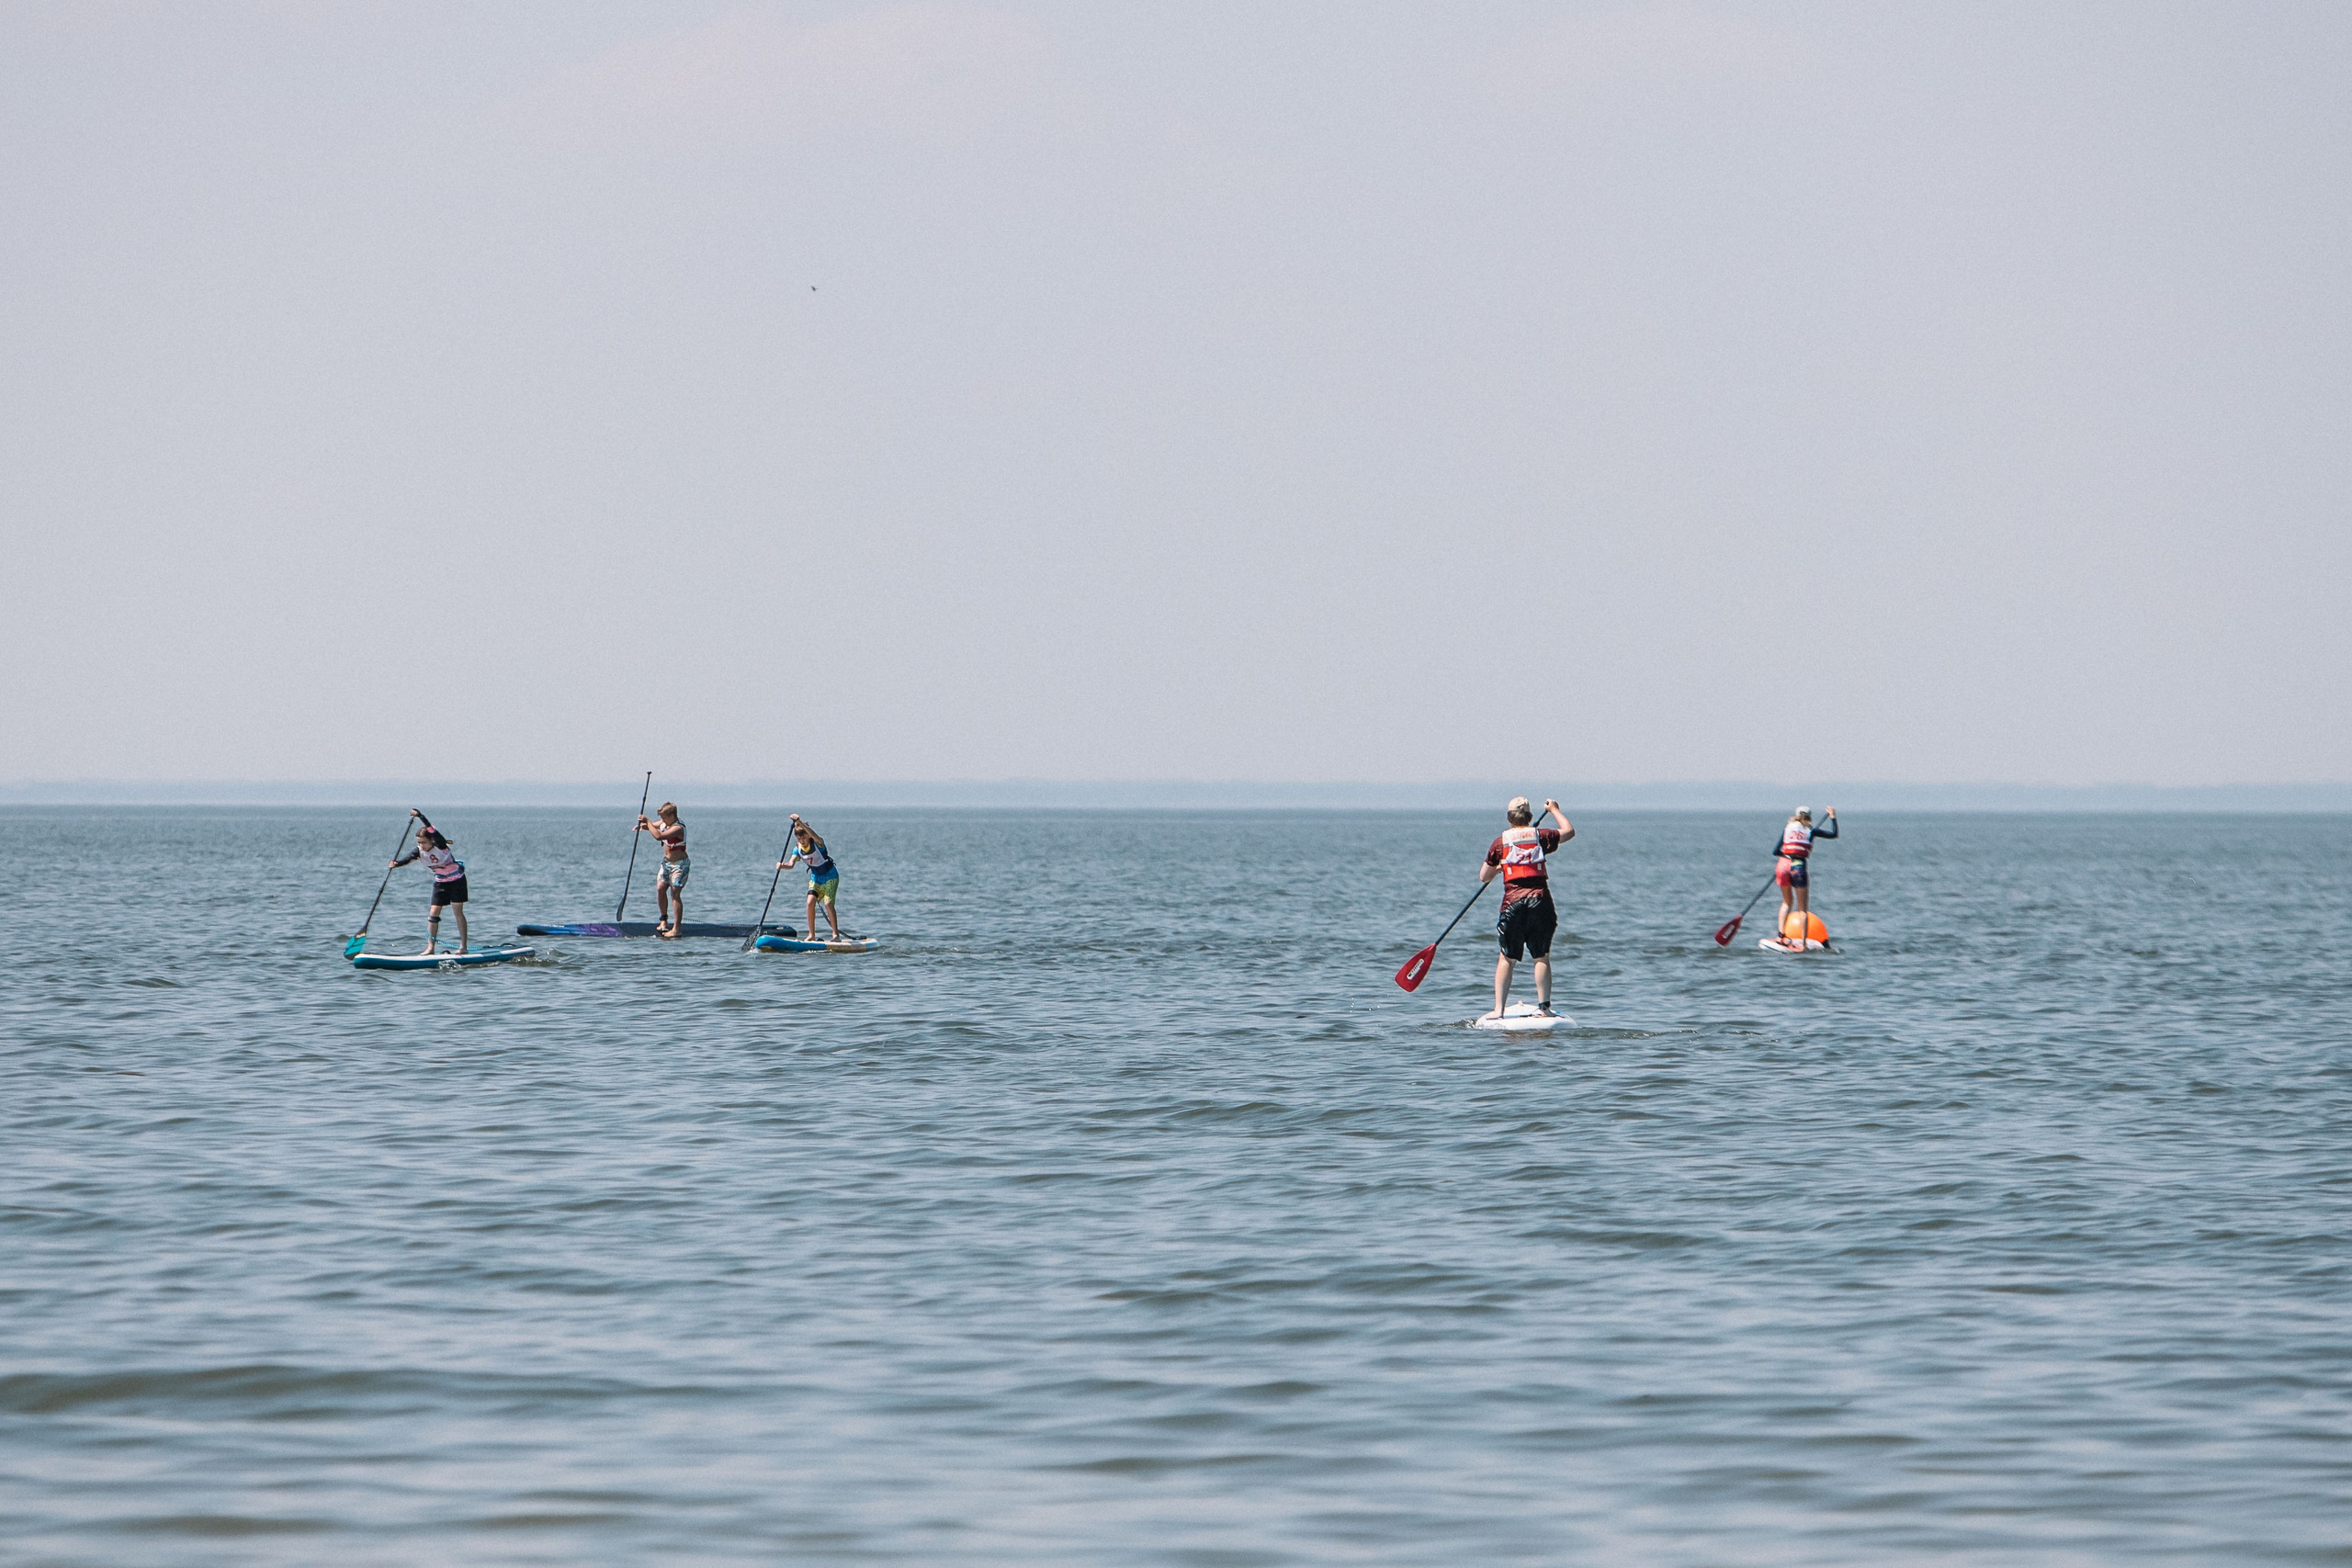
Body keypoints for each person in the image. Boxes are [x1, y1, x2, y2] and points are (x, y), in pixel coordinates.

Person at [1479, 796, 1574, 1021]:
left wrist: (1501, 867)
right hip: (1540, 903)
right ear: (1529, 817)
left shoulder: (1500, 843)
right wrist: (1554, 810)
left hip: (1513, 905)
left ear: (1509, 818)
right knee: (1541, 957)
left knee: (1506, 958)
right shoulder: (1540, 837)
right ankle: (1545, 1008)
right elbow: (1569, 831)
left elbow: (1484, 876)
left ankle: (1499, 1011)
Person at [390, 811, 469, 953]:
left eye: (423, 842)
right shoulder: (419, 851)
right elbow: (408, 859)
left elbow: (432, 830)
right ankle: (430, 948)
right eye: (418, 842)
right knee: (433, 914)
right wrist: (396, 864)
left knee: (457, 912)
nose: (421, 845)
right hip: (441, 882)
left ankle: (463, 947)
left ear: (431, 840)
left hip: (457, 881)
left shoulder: (440, 845)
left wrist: (420, 816)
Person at [778, 815, 843, 942]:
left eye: (804, 837)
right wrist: (782, 866)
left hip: (830, 876)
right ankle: (811, 935)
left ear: (808, 835)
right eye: (799, 838)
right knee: (809, 902)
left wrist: (800, 822)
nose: (802, 841)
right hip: (816, 878)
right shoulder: (797, 849)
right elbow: (791, 864)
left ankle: (836, 935)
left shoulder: (818, 843)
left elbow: (813, 834)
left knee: (828, 903)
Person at [1774, 806, 1838, 931]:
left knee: (1786, 902)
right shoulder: (1811, 831)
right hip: (1799, 866)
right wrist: (1833, 817)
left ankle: (1780, 935)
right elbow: (1834, 834)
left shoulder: (1788, 829)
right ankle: (1803, 941)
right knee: (1802, 909)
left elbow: (1775, 851)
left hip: (1783, 866)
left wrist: (1788, 855)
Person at [639, 801, 689, 937]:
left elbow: (659, 836)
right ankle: (663, 921)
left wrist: (647, 821)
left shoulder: (678, 828)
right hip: (666, 863)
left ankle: (677, 929)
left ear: (672, 816)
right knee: (660, 889)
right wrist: (643, 826)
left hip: (679, 865)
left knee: (675, 894)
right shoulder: (664, 823)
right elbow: (654, 827)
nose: (662, 820)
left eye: (664, 817)